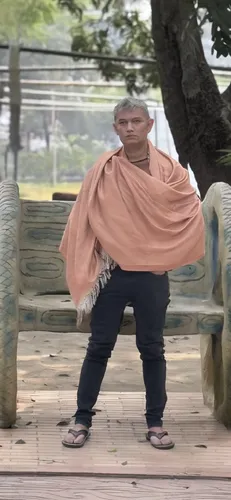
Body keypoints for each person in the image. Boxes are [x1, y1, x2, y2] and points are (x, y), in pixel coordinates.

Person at [59, 97, 205, 450]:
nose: (129, 127)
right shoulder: (104, 170)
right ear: (115, 128)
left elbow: (188, 214)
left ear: (149, 125)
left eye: (136, 121)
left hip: (152, 276)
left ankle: (155, 423)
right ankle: (81, 419)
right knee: (99, 347)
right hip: (111, 272)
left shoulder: (171, 171)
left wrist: (163, 257)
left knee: (152, 349)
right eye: (122, 122)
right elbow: (86, 217)